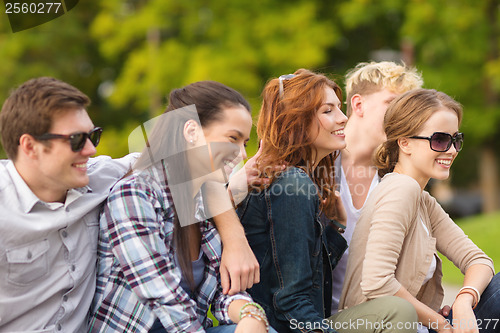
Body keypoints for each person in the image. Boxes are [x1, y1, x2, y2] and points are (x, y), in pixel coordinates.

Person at [0, 77, 259, 332]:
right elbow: (161, 294)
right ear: (30, 146)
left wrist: (236, 238)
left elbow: (185, 164)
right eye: (77, 140)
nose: (91, 150)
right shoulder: (6, 206)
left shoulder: (99, 175)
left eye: (94, 136)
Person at [237, 69, 418, 333]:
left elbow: (306, 280)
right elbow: (290, 301)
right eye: (328, 110)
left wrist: (335, 229)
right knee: (397, 312)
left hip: (299, 322)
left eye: (338, 108)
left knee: (394, 310)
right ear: (296, 120)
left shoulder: (300, 180)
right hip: (283, 327)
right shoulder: (293, 184)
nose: (344, 118)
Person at [88, 81, 276, 333]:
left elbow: (223, 295)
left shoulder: (207, 202)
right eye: (233, 138)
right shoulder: (135, 193)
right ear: (191, 132)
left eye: (244, 142)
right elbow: (161, 295)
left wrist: (250, 314)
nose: (242, 154)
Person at [340, 89, 500, 333]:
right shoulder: (400, 189)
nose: (452, 150)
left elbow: (478, 261)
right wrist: (444, 326)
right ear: (404, 143)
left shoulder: (422, 200)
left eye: (456, 139)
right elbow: (377, 283)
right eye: (439, 140)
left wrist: (463, 301)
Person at [331, 61, 424, 313]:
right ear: (358, 105)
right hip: (330, 320)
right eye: (392, 104)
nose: (403, 117)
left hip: (394, 315)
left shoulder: (398, 177)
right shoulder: (317, 165)